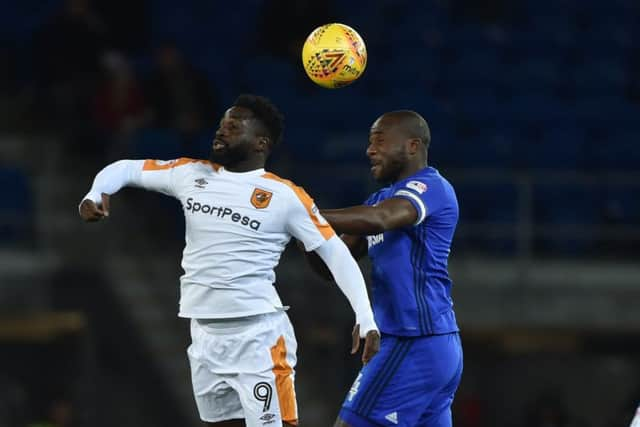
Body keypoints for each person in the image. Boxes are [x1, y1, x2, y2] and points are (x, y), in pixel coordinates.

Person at [78, 94, 380, 427]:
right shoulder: (190, 174)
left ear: (260, 143)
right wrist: (95, 194)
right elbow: (126, 169)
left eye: (233, 126)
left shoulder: (285, 196)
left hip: (258, 338)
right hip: (204, 336)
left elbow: (336, 254)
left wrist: (365, 318)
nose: (221, 131)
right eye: (222, 124)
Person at [304, 111, 463, 427]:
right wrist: (307, 234)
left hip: (412, 340)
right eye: (369, 142)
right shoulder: (380, 199)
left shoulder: (432, 187)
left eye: (379, 141)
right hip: (430, 346)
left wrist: (306, 211)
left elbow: (381, 220)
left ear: (412, 146)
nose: (369, 150)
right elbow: (332, 266)